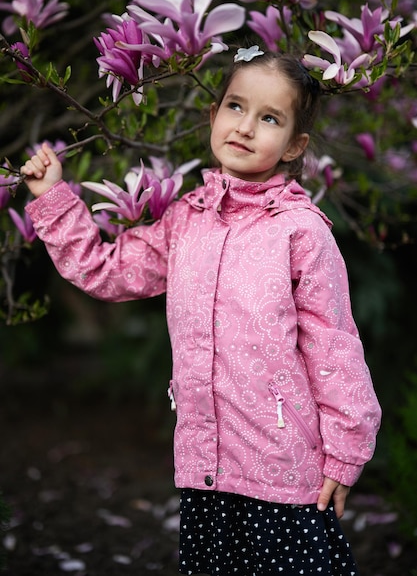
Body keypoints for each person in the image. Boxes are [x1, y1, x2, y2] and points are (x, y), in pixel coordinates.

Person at [21, 46, 382, 576]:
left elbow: (334, 347)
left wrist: (346, 453)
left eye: (269, 118)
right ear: (213, 117)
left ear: (293, 146)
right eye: (235, 107)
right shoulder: (185, 220)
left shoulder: (300, 233)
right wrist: (53, 198)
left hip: (285, 471)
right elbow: (106, 269)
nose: (245, 127)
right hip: (205, 469)